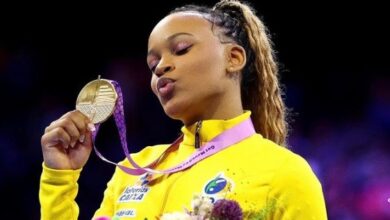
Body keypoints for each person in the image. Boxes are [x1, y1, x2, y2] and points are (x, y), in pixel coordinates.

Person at [39, 0, 327, 219]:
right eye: (153, 65)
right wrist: (59, 178)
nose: (161, 67)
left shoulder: (284, 173)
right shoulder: (134, 169)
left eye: (180, 49)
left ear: (234, 58)